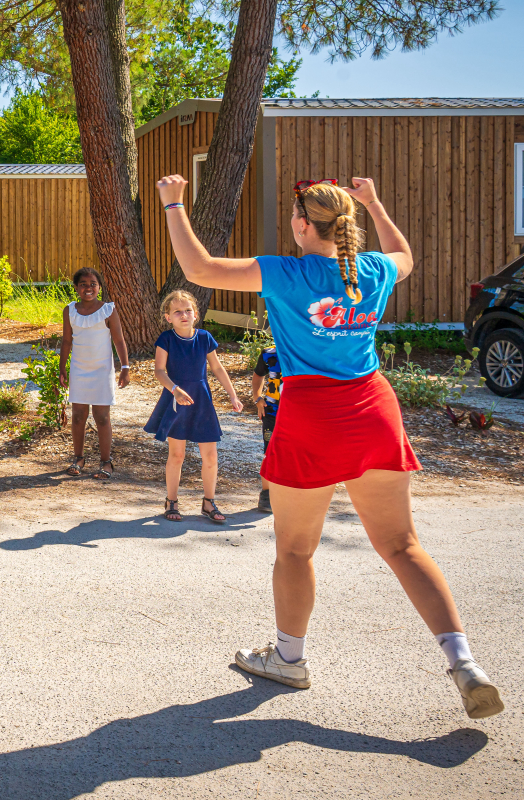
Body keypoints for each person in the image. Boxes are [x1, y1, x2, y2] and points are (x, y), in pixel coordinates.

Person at [156, 173, 503, 718]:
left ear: (301, 225)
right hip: (372, 409)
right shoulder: (372, 270)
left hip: (312, 415)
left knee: (295, 550)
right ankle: (463, 662)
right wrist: (375, 201)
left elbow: (198, 269)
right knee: (403, 546)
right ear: (346, 226)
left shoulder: (286, 272)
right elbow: (404, 253)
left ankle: (289, 659)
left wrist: (174, 202)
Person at [144, 290, 244, 523]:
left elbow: (217, 368)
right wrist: (174, 389)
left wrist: (232, 394)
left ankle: (208, 502)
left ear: (196, 314)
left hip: (202, 401)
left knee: (210, 456)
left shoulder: (205, 338)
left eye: (188, 310)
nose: (183, 315)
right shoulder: (166, 339)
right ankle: (172, 502)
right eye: (177, 311)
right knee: (177, 455)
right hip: (176, 399)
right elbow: (159, 371)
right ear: (168, 317)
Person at [58, 267, 130, 479]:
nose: (88, 288)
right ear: (76, 287)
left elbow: (119, 340)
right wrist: (62, 368)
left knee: (102, 417)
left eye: (92, 284)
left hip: (102, 370)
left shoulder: (108, 310)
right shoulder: (69, 310)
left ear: (99, 287)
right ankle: (78, 458)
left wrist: (125, 368)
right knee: (78, 416)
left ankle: (106, 462)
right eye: (83, 284)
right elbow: (66, 341)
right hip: (79, 369)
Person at [251, 345, 282, 513]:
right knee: (269, 451)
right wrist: (257, 398)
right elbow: (258, 375)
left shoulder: (307, 350)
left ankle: (292, 491)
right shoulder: (269, 353)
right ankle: (267, 493)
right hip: (272, 411)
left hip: (299, 411)